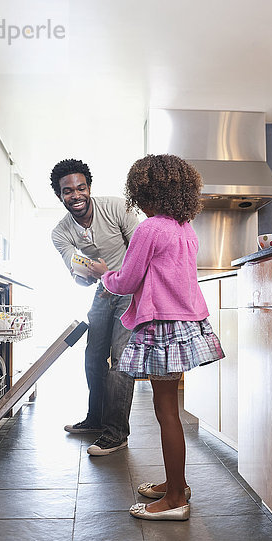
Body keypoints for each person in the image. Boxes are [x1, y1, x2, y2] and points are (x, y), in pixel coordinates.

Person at [88, 154, 225, 520]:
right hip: (185, 323)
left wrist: (104, 275)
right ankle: (174, 482)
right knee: (170, 410)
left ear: (146, 193)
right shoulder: (185, 227)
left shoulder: (150, 228)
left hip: (162, 325)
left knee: (165, 410)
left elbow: (127, 280)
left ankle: (176, 498)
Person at [50, 158, 139, 456]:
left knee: (120, 360)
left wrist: (113, 275)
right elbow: (75, 276)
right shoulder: (61, 232)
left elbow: (140, 253)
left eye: (81, 188)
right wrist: (86, 275)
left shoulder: (116, 208)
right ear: (59, 195)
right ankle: (96, 419)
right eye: (68, 191)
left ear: (89, 188)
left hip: (129, 289)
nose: (76, 195)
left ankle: (116, 433)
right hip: (102, 292)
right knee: (93, 358)